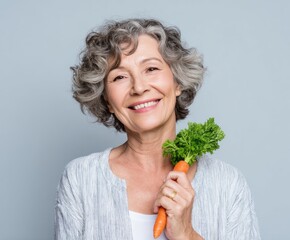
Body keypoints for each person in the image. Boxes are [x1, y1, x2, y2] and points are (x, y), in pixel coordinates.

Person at [54, 18, 261, 240]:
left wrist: (186, 234)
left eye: (151, 68)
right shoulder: (81, 179)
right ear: (106, 99)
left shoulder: (227, 184)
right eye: (120, 76)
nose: (139, 87)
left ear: (178, 82)